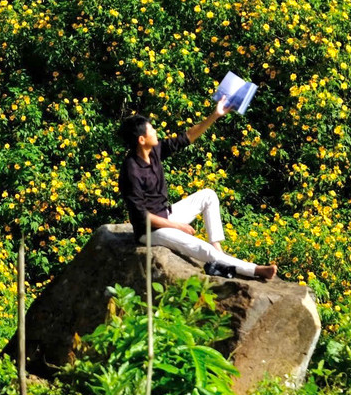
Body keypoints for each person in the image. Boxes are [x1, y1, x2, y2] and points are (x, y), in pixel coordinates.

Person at [118, 99, 277, 281]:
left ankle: (218, 252)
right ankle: (255, 270)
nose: (155, 131)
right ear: (141, 139)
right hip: (150, 231)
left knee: (208, 195)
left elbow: (187, 137)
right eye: (151, 129)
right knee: (201, 248)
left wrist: (215, 115)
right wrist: (178, 226)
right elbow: (142, 217)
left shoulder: (154, 151)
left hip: (167, 215)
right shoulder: (131, 171)